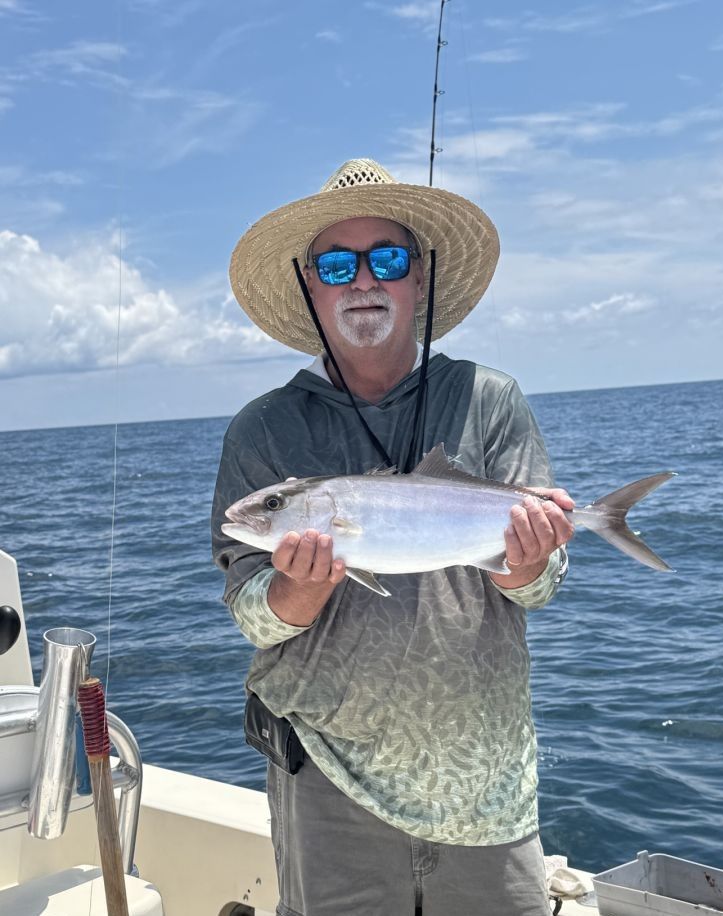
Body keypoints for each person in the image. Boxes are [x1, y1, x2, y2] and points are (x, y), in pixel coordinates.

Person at [212, 158, 575, 916]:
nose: (363, 281)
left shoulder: (488, 400)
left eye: (389, 259)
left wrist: (525, 563)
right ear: (310, 286)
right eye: (338, 264)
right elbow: (250, 612)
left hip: (485, 776)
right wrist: (296, 589)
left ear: (421, 279)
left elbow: (540, 586)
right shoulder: (266, 430)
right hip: (331, 783)